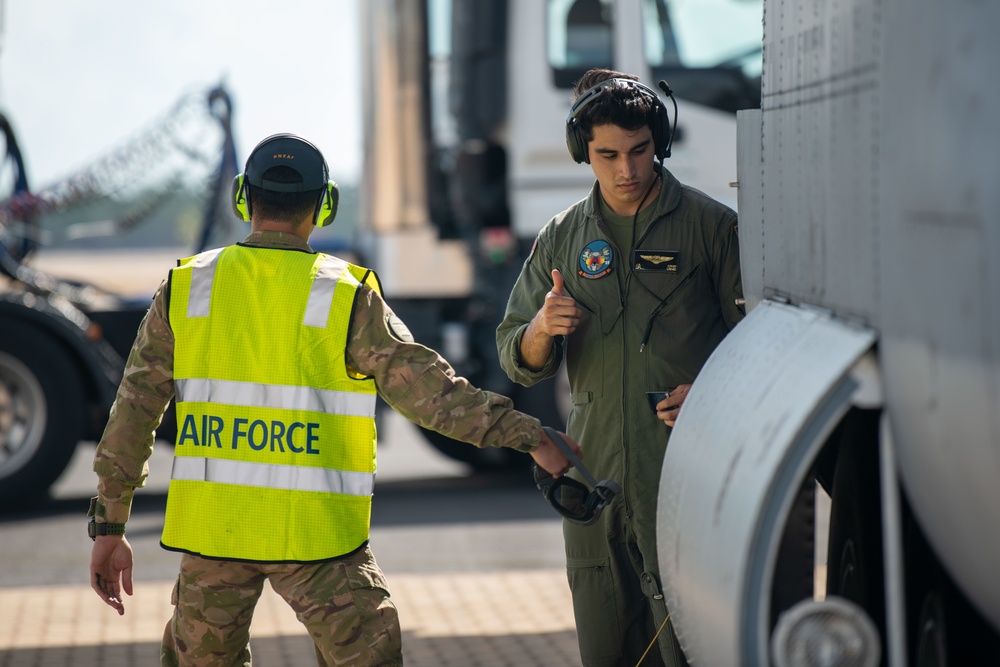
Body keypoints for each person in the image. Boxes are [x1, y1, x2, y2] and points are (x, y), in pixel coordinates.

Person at [88, 133, 580, 667]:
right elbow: (434, 397)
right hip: (317, 542)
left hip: (215, 539)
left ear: (240, 198)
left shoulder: (188, 288)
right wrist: (531, 436)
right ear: (326, 204)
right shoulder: (344, 294)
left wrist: (111, 525)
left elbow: (133, 413)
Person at [496, 69, 745, 666]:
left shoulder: (713, 228)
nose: (626, 170)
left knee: (693, 650)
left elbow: (757, 344)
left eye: (638, 151)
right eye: (608, 155)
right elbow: (516, 359)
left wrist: (711, 392)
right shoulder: (560, 238)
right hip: (595, 482)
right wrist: (541, 329)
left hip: (683, 473)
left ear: (658, 140)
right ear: (584, 152)